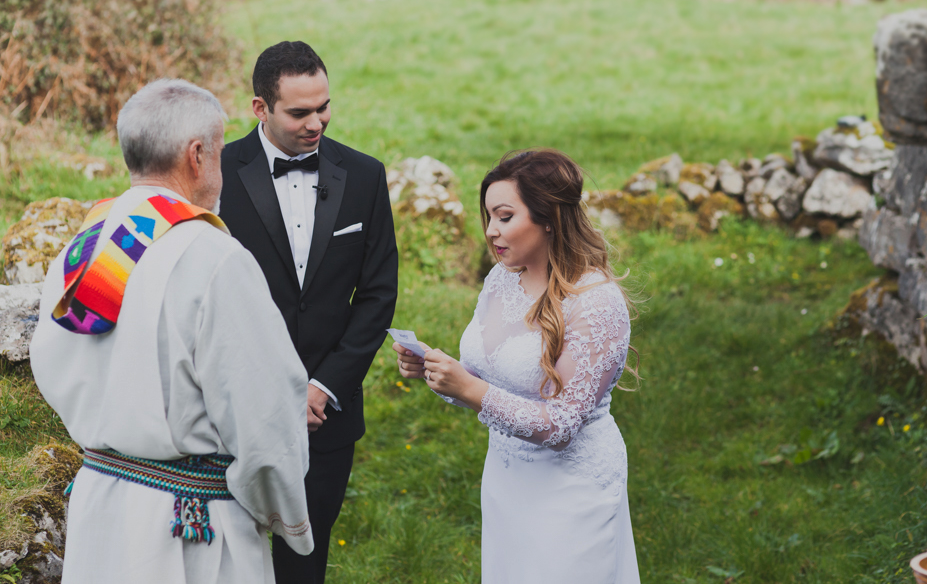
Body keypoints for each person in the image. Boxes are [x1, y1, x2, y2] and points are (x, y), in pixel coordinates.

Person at [29, 79, 314, 584]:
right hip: (191, 527)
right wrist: (283, 512)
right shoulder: (214, 257)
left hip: (100, 504)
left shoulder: (86, 243)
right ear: (197, 156)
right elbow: (266, 414)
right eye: (220, 153)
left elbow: (49, 363)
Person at [395, 149, 641, 583]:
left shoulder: (596, 302)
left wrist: (467, 389)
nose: (491, 230)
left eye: (505, 216)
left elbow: (561, 425)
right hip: (506, 481)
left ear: (548, 218)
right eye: (489, 216)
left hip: (571, 492)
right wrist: (440, 371)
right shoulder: (501, 279)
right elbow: (487, 380)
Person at [219, 41, 398, 583]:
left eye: (324, 107)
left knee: (305, 564)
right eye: (299, 112)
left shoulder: (364, 175)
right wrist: (266, 392)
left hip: (328, 416)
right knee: (230, 557)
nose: (316, 123)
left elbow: (378, 294)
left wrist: (323, 387)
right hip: (237, 410)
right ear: (260, 108)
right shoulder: (217, 174)